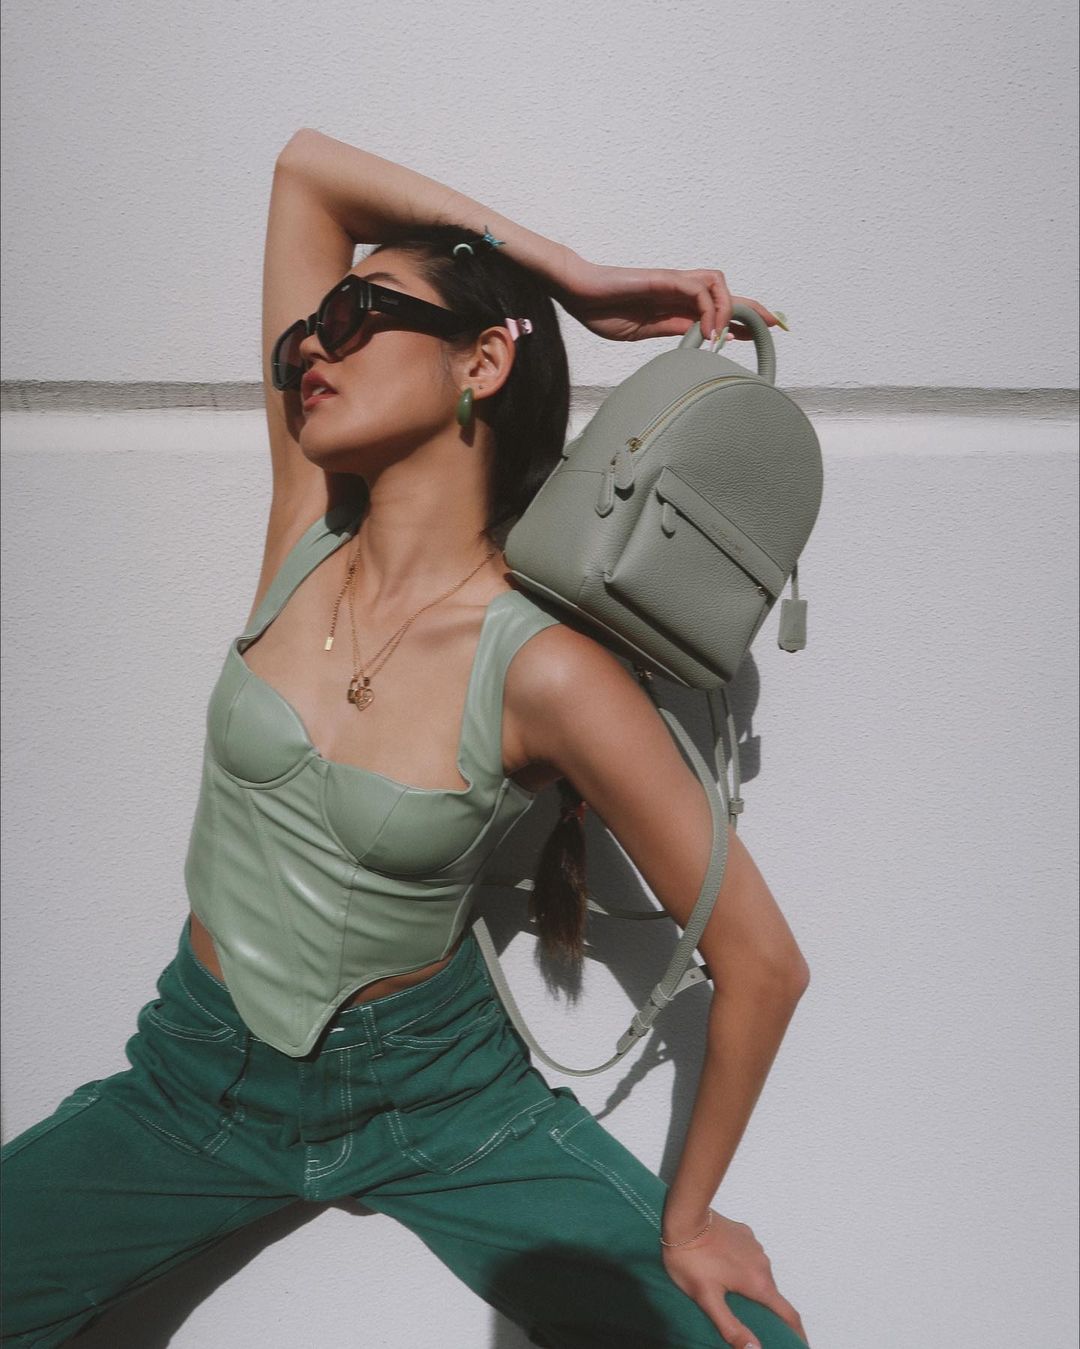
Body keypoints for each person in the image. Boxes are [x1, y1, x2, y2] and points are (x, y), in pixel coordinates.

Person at [0, 128, 812, 1349]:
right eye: (306, 329)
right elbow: (305, 172)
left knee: (746, 1342)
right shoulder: (303, 530)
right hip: (192, 1079)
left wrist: (689, 1220)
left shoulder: (545, 668)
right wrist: (566, 272)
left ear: (482, 360)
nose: (310, 345)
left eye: (357, 313)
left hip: (436, 1097)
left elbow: (762, 959)